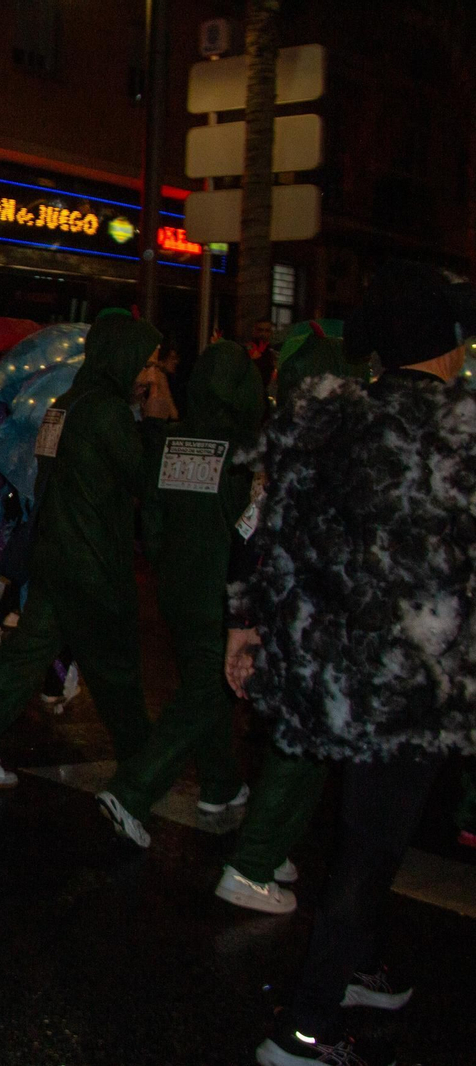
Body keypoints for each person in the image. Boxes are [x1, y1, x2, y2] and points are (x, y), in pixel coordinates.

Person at [228, 261, 476, 1066]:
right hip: (417, 678)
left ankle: (362, 963)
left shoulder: (329, 421)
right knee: (370, 848)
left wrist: (246, 628)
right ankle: (303, 1028)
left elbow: (266, 535)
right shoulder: (462, 430)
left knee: (371, 832)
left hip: (332, 672)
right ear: (445, 347)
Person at [0, 309, 174, 788]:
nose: (152, 375)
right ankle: (142, 777)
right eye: (146, 363)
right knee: (117, 672)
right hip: (90, 559)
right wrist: (154, 427)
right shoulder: (106, 410)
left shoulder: (66, 402)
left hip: (55, 553)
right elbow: (149, 481)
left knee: (27, 653)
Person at [214, 326, 368, 914]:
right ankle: (251, 866)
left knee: (297, 741)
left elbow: (249, 533)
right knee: (304, 744)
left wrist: (242, 622)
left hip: (286, 609)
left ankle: (268, 846)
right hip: (315, 615)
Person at [93, 339, 264, 848]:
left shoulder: (173, 441)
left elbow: (154, 515)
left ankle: (220, 784)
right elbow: (252, 531)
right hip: (223, 590)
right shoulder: (247, 448)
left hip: (176, 584)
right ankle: (132, 790)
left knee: (202, 682)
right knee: (209, 687)